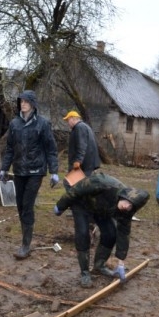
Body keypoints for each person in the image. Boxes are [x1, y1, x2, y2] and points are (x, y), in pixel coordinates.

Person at [53, 173, 150, 287]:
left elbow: (124, 234)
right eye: (127, 202)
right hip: (81, 204)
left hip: (100, 210)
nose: (126, 206)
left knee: (110, 234)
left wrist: (121, 262)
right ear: (125, 196)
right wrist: (60, 206)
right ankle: (85, 273)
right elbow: (77, 189)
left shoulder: (126, 211)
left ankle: (99, 266)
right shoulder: (104, 183)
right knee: (83, 234)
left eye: (131, 206)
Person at [0, 90, 59, 259]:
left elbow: (51, 149)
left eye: (26, 101)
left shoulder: (42, 124)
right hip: (19, 170)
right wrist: (4, 168)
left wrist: (54, 171)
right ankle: (25, 238)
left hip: (36, 170)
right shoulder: (14, 124)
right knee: (20, 205)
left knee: (27, 204)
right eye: (21, 101)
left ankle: (26, 245)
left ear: (33, 104)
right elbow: (10, 148)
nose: (22, 104)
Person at [63, 109, 101, 287]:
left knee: (70, 186)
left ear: (74, 118)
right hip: (89, 165)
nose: (67, 123)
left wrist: (77, 160)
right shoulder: (86, 127)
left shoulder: (79, 128)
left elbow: (83, 145)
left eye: (68, 120)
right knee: (79, 190)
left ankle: (88, 221)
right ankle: (91, 222)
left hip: (82, 166)